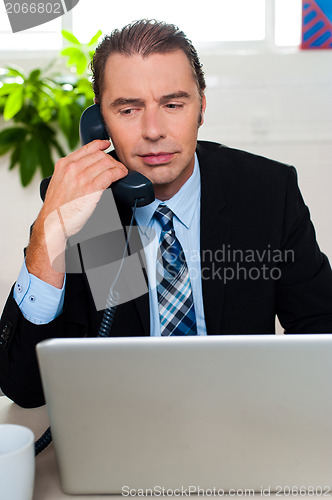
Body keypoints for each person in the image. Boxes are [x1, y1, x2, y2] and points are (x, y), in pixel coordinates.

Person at [1, 19, 332, 408]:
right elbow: (24, 388)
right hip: (124, 426)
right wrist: (48, 234)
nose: (153, 130)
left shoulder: (266, 192)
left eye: (173, 104)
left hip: (244, 417)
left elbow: (319, 329)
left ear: (201, 107)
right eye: (128, 109)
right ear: (100, 123)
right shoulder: (90, 210)